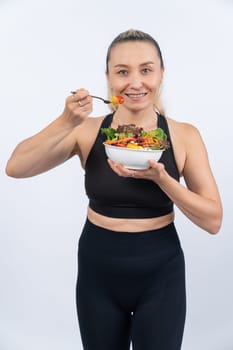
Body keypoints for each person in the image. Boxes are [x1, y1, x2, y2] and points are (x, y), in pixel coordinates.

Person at [6, 29, 222, 350]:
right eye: (123, 72)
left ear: (162, 74)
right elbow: (15, 167)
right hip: (98, 269)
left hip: (161, 271)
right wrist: (66, 121)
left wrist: (163, 180)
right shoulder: (87, 130)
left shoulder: (184, 135)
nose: (135, 82)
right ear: (108, 77)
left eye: (146, 70)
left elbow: (213, 220)